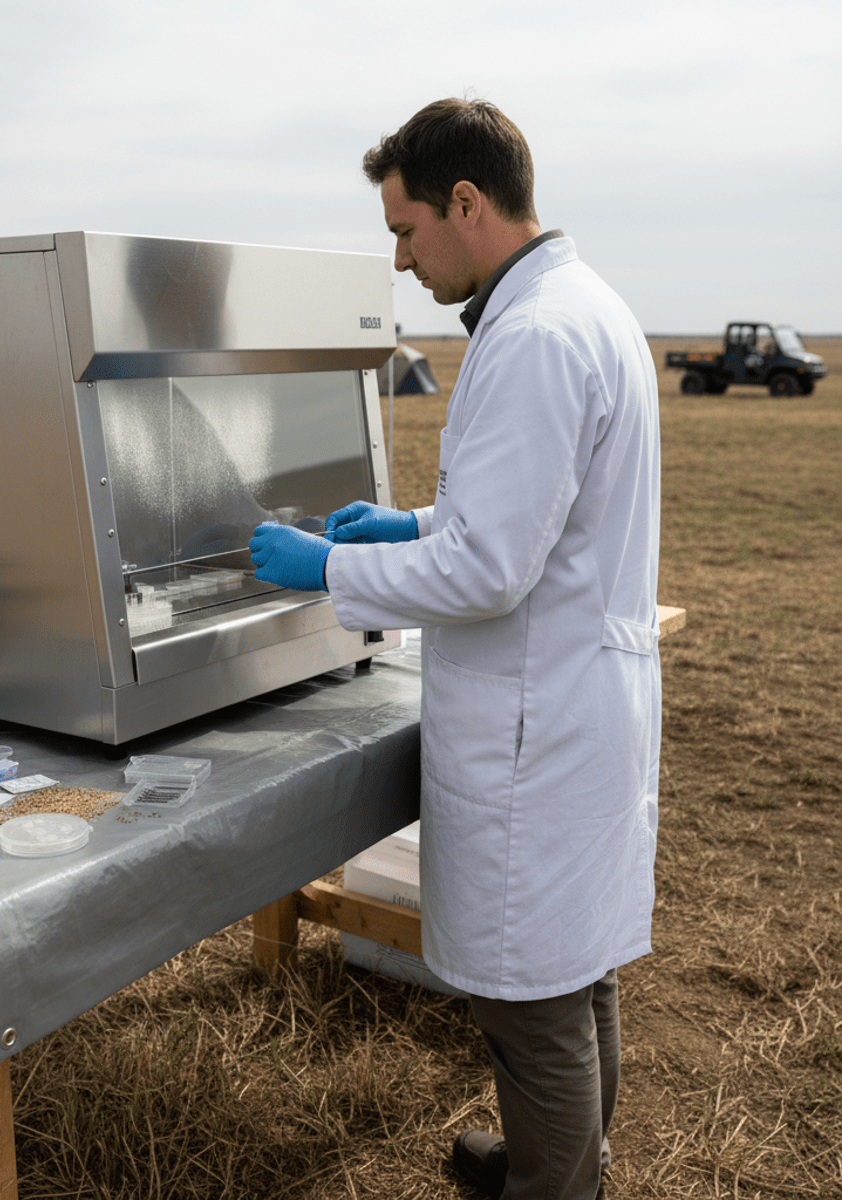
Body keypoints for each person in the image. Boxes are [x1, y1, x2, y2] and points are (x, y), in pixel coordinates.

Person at [249, 98, 661, 1200]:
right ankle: (562, 1160)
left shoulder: (531, 335)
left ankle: (554, 1184)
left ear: (465, 204)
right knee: (576, 974)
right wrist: (409, 527)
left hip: (542, 721)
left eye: (405, 229)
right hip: (581, 698)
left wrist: (326, 571)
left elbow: (491, 571)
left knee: (534, 1004)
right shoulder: (585, 307)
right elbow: (523, 517)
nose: (399, 257)